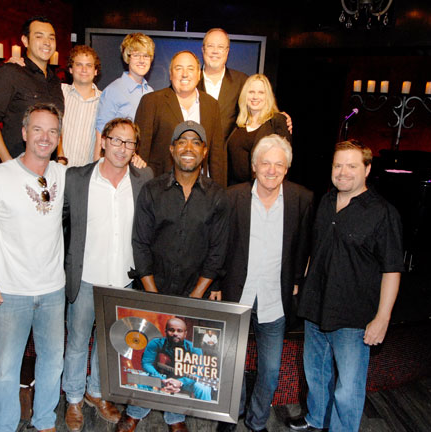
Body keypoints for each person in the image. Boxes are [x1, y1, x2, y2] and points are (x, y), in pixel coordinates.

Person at [116, 120, 230, 432]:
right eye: (182, 142)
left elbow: (218, 252)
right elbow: (140, 243)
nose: (189, 148)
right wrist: (153, 295)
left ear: (204, 151)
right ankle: (135, 411)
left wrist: (194, 298)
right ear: (172, 149)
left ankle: (175, 416)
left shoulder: (218, 197)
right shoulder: (152, 190)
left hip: (195, 290)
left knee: (182, 358)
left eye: (196, 142)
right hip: (153, 287)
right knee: (148, 350)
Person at [286, 140, 404, 432]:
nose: (343, 172)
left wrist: (382, 318)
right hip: (316, 308)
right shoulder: (325, 202)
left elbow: (392, 269)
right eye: (338, 165)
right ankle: (316, 419)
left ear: (367, 169)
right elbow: (317, 249)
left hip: (353, 317)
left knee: (348, 388)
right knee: (316, 374)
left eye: (352, 166)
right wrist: (302, 284)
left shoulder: (383, 213)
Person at [0, 103, 66, 432]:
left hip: (53, 290)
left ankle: (44, 422)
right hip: (10, 292)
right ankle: (5, 426)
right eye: (37, 129)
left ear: (58, 137)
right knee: (6, 371)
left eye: (52, 130)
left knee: (53, 363)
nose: (45, 136)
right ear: (24, 133)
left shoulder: (62, 175)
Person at [62, 118, 153, 431]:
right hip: (87, 276)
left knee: (109, 344)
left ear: (135, 149)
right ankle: (73, 399)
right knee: (77, 341)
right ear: (103, 140)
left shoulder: (143, 178)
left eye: (129, 143)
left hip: (123, 279)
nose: (122, 148)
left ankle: (96, 393)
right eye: (116, 140)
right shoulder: (76, 178)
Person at [218, 135, 313, 432]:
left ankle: (257, 421)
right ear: (254, 166)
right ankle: (233, 414)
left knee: (270, 371)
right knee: (231, 365)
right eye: (265, 163)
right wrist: (218, 283)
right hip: (238, 295)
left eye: (279, 164)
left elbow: (304, 244)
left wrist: (297, 279)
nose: (271, 170)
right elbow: (220, 245)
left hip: (276, 299)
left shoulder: (302, 198)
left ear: (287, 169)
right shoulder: (232, 197)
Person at [0, 16, 64, 162]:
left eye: (51, 38)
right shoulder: (11, 72)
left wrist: (61, 157)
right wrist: (9, 163)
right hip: (16, 167)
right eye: (39, 36)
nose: (47, 43)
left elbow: (56, 124)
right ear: (25, 41)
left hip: (48, 169)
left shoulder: (55, 80)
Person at [135, 51, 227, 187]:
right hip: (161, 187)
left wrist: (220, 194)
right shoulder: (151, 101)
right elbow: (141, 151)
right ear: (171, 75)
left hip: (200, 189)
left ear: (199, 75)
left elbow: (217, 156)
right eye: (178, 68)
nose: (185, 74)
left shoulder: (211, 105)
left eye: (190, 69)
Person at [93, 33, 155, 160]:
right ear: (127, 57)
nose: (142, 60)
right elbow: (101, 138)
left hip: (142, 166)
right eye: (136, 55)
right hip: (117, 162)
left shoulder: (151, 93)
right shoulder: (113, 91)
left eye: (146, 56)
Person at [227, 74, 291, 186]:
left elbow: (284, 161)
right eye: (251, 92)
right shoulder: (237, 123)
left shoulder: (277, 121)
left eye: (261, 92)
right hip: (235, 191)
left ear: (268, 96)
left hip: (262, 190)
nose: (255, 97)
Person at [141, 318, 212, 401]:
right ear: (165, 331)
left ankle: (201, 414)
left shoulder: (194, 348)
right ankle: (137, 413)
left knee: (204, 388)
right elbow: (146, 363)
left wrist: (180, 382)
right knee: (143, 378)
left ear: (185, 334)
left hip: (185, 382)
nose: (175, 333)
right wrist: (161, 379)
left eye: (179, 331)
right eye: (171, 330)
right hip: (161, 378)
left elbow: (198, 372)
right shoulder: (155, 343)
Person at [197, 28, 248, 141]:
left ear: (227, 51)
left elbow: (259, 110)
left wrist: (280, 117)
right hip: (195, 155)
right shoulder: (190, 81)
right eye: (210, 46)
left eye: (220, 47)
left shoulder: (242, 81)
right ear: (203, 49)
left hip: (227, 156)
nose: (215, 51)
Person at [58, 45, 102, 167]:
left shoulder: (105, 100)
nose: (84, 69)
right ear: (71, 69)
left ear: (95, 71)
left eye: (89, 65)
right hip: (58, 169)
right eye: (79, 64)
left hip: (86, 174)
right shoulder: (59, 92)